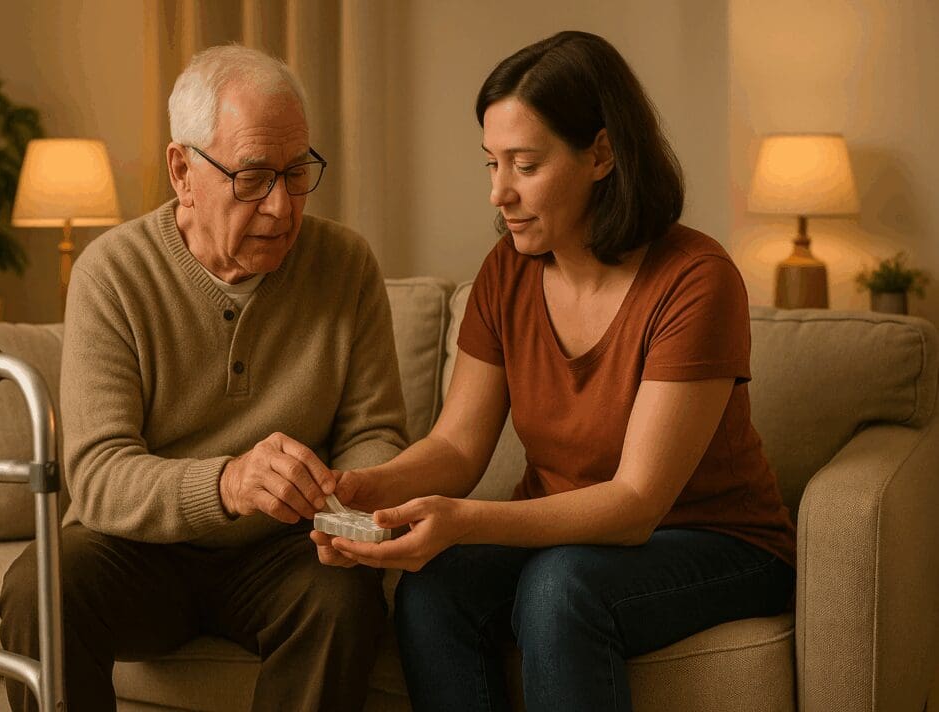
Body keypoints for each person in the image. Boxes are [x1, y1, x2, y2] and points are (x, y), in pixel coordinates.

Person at [312, 31, 796, 712]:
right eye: (490, 165)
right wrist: (360, 488)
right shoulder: (506, 272)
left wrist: (465, 520)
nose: (498, 194)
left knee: (559, 587)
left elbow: (634, 505)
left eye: (525, 165)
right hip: (568, 540)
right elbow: (456, 447)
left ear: (601, 153)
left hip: (717, 543)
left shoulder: (696, 280)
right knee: (434, 587)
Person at [0, 44, 408, 712]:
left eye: (297, 172)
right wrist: (227, 482)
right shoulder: (112, 275)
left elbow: (376, 429)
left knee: (344, 600)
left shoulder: (346, 265)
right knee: (40, 586)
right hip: (139, 551)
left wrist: (349, 498)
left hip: (285, 550)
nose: (281, 207)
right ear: (182, 171)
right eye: (253, 178)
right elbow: (97, 473)